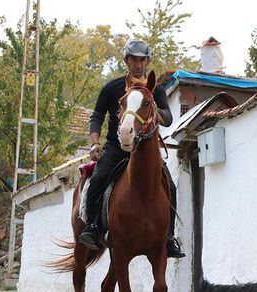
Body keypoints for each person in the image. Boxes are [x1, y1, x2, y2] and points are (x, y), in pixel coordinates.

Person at [79, 40, 185, 259]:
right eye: (134, 59)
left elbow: (168, 117)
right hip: (116, 149)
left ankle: (169, 238)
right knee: (98, 178)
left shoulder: (156, 90)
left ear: (148, 62)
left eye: (142, 60)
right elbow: (97, 116)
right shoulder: (112, 88)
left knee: (171, 187)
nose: (138, 64)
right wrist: (95, 143)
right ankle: (93, 227)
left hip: (146, 151)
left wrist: (155, 109)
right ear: (126, 60)